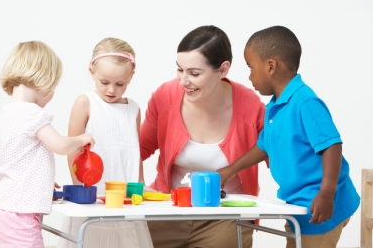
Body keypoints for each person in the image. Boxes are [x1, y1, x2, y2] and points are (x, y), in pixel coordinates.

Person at [218, 26, 360, 248]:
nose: (249, 76)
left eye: (251, 67)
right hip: (297, 208)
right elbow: (264, 145)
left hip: (320, 208)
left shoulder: (305, 102)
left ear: (271, 66)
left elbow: (332, 144)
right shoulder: (276, 106)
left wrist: (326, 193)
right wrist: (230, 170)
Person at [140, 25, 266, 248]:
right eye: (180, 70)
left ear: (223, 69)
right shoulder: (165, 96)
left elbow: (281, 157)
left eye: (194, 74)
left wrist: (327, 191)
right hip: (168, 210)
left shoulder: (250, 106)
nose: (183, 81)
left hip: (226, 217)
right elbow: (137, 149)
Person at [0, 41, 95, 248]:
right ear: (41, 80)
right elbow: (60, 145)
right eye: (53, 86)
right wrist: (81, 139)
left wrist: (39, 178)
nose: (52, 94)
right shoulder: (32, 113)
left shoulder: (6, 114)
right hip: (19, 217)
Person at [57, 38, 154, 248]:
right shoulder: (85, 102)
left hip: (125, 199)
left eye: (120, 84)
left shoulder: (133, 109)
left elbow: (133, 153)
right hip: (92, 194)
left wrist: (141, 184)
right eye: (105, 82)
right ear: (92, 72)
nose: (111, 90)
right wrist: (80, 188)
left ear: (131, 76)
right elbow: (72, 150)